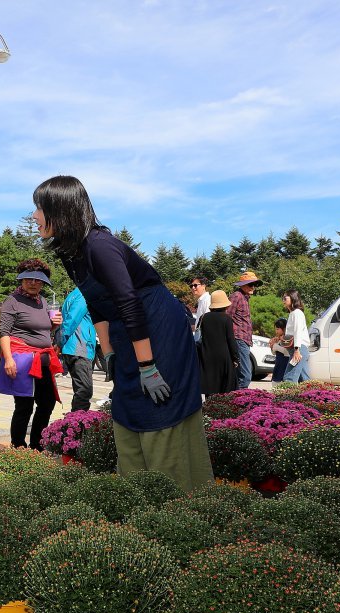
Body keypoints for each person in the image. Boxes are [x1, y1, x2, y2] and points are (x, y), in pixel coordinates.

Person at [33, 175, 212, 492]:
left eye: (39, 208)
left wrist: (148, 367)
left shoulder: (100, 246)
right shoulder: (70, 251)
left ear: (59, 210)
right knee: (127, 404)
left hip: (157, 326)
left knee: (159, 405)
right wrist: (110, 351)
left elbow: (130, 303)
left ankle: (175, 493)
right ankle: (135, 490)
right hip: (127, 331)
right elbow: (96, 302)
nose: (34, 216)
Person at [0, 260, 64, 448]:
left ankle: (37, 445)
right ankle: (18, 445)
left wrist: (54, 325)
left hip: (43, 361)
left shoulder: (43, 301)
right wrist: (8, 359)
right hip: (23, 360)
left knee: (47, 403)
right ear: (22, 280)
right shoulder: (13, 301)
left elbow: (43, 330)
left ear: (43, 282)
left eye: (38, 280)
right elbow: (4, 332)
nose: (33, 283)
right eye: (29, 279)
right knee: (24, 406)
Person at [60, 286, 97, 412]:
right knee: (84, 391)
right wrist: (60, 341)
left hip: (75, 348)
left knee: (81, 390)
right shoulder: (83, 294)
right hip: (79, 348)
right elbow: (71, 320)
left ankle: (74, 424)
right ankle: (77, 426)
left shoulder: (75, 294)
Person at [197, 290, 239, 396]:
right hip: (224, 357)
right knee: (224, 390)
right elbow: (231, 340)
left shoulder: (204, 318)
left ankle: (209, 409)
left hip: (206, 356)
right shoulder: (227, 319)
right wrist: (235, 358)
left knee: (210, 387)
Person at [227, 271, 260, 389]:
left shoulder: (245, 298)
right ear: (243, 285)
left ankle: (233, 402)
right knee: (245, 376)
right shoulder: (236, 296)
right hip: (239, 339)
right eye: (250, 284)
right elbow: (227, 317)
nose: (253, 287)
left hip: (244, 340)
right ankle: (238, 401)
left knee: (239, 375)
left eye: (254, 284)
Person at [281, 290, 311, 383]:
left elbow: (298, 332)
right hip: (298, 348)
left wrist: (297, 350)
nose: (283, 300)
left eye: (285, 298)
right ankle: (315, 396)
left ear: (293, 298)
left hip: (299, 348)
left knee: (289, 378)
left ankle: (286, 396)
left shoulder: (297, 313)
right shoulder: (293, 313)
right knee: (305, 380)